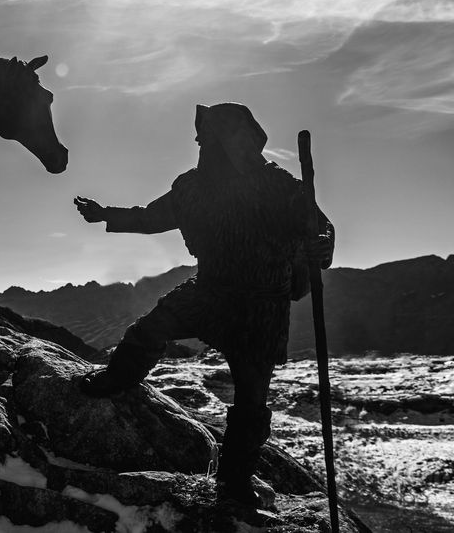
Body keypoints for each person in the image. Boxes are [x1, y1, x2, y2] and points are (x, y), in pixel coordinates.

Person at [73, 102, 334, 507]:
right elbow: (151, 217)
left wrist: (323, 244)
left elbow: (319, 225)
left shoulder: (279, 185)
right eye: (209, 137)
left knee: (250, 400)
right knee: (148, 331)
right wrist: (106, 214)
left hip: (261, 309)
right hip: (209, 292)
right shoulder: (192, 188)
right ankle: (117, 380)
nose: (208, 143)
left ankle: (233, 482)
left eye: (219, 135)